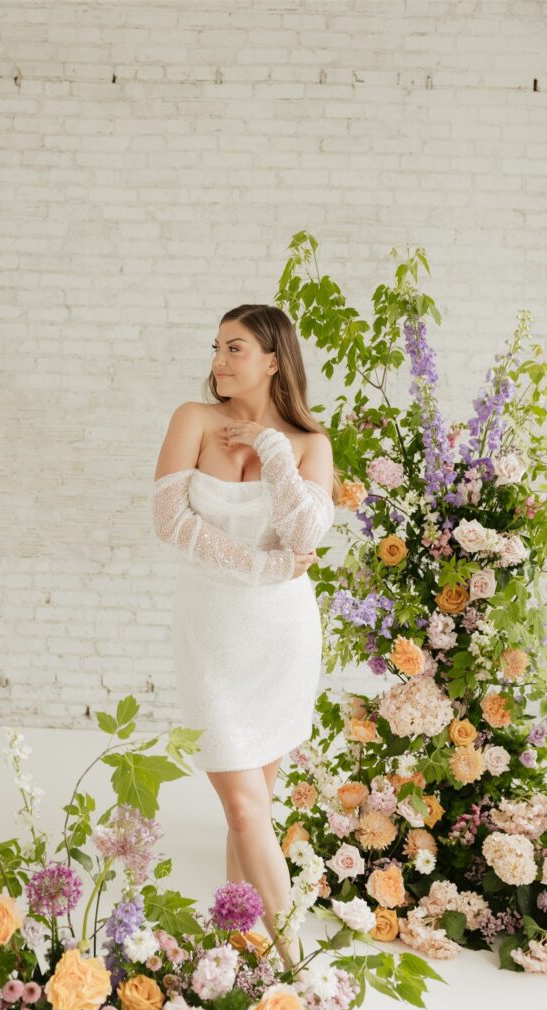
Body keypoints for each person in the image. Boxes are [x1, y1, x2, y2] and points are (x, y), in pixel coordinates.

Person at [150, 304, 339, 970]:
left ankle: (240, 952)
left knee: (245, 811)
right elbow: (170, 522)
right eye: (216, 348)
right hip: (211, 631)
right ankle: (296, 966)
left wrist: (269, 449)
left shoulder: (310, 444)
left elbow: (304, 537)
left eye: (235, 349)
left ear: (271, 360)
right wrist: (259, 566)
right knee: (242, 800)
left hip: (280, 635)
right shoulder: (192, 419)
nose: (219, 362)